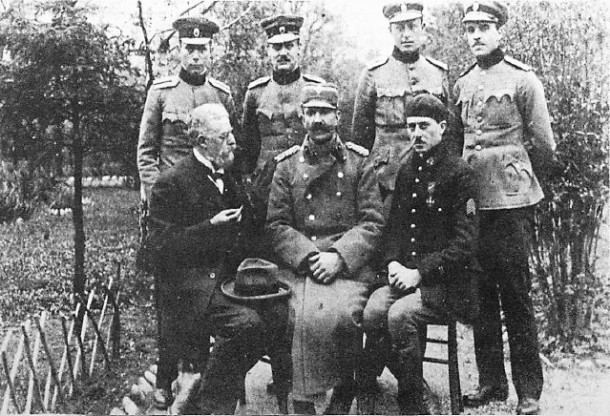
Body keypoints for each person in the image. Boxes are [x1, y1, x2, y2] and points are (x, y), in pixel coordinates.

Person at [144, 103, 290, 414]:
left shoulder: (229, 175)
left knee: (279, 314)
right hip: (191, 287)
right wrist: (210, 226)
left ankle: (201, 393)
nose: (233, 142)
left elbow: (250, 230)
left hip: (228, 280)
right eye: (224, 137)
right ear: (202, 142)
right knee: (246, 325)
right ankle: (207, 408)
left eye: (231, 134)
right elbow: (157, 246)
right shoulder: (171, 181)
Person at [453, 1, 556, 414]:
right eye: (470, 29)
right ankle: (492, 383)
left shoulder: (522, 79)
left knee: (515, 294)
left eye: (484, 27)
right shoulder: (462, 83)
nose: (476, 35)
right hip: (473, 203)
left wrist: (528, 189)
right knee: (481, 295)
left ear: (499, 31)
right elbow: (456, 141)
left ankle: (528, 390)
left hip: (512, 202)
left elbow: (544, 144)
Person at [136, 16, 240, 407]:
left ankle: (202, 374)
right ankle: (166, 376)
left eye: (202, 49)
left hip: (209, 202)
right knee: (170, 296)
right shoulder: (161, 93)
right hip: (171, 207)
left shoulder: (221, 94)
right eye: (189, 49)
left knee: (210, 285)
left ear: (211, 52)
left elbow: (230, 148)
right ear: (179, 50)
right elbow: (147, 151)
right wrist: (157, 197)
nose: (196, 56)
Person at [266, 83, 385, 414]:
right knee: (294, 316)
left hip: (346, 266)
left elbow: (373, 222)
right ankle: (302, 401)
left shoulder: (359, 162)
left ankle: (343, 393)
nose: (317, 119)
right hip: (301, 264)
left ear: (338, 117)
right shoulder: (286, 165)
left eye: (324, 112)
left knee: (344, 315)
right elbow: (276, 224)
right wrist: (308, 256)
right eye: (311, 112)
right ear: (302, 117)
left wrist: (339, 257)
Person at [360, 94, 480, 414]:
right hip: (409, 276)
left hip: (447, 283)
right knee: (373, 312)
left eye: (424, 126)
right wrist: (393, 262)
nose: (416, 134)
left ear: (442, 127)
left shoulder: (460, 173)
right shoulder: (407, 170)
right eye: (411, 127)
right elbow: (394, 229)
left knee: (401, 316)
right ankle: (399, 382)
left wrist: (419, 272)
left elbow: (464, 245)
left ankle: (413, 403)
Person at [352, 1, 450, 211]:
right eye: (399, 28)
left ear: (422, 28)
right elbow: (361, 137)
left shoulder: (438, 73)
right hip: (387, 179)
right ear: (390, 30)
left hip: (432, 176)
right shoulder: (373, 75)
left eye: (412, 26)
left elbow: (449, 131)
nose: (406, 34)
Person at [242, 14, 324, 177]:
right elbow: (248, 146)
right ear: (268, 51)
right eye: (277, 47)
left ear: (299, 47)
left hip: (309, 176)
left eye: (289, 46)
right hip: (268, 179)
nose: (283, 53)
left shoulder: (317, 89)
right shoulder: (255, 93)